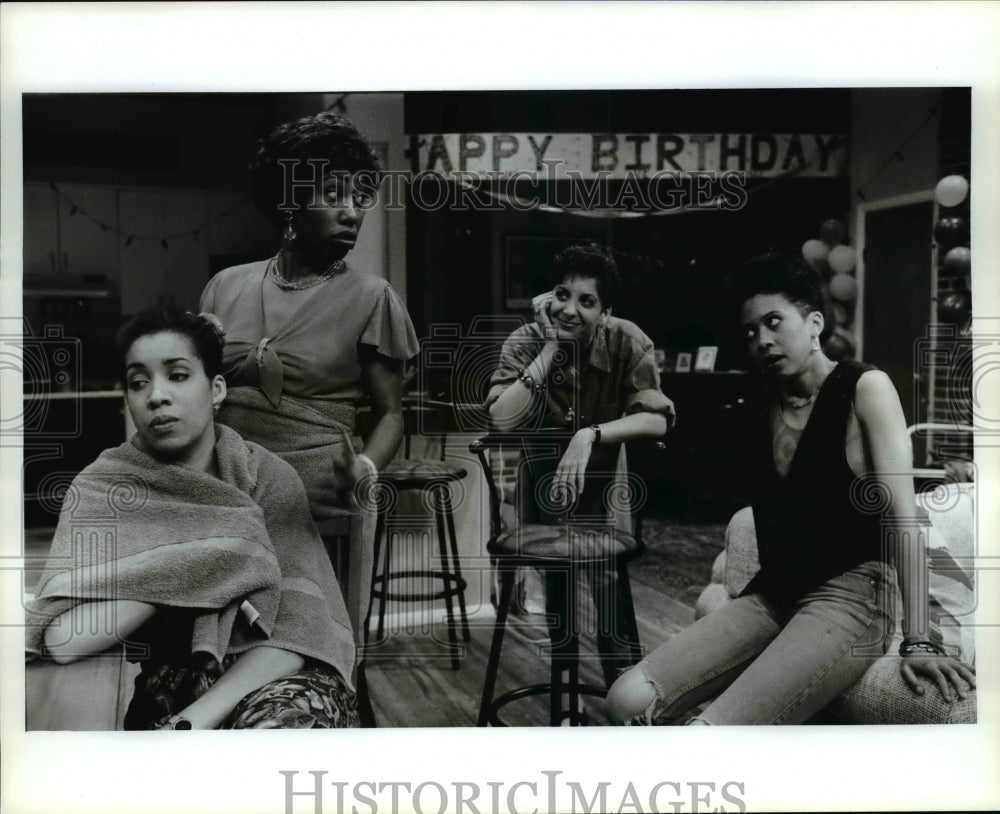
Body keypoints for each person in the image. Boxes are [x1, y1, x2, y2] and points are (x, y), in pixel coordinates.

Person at [606, 254, 976, 725]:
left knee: (708, 734)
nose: (761, 339)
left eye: (774, 322)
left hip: (855, 596)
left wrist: (920, 637)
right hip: (775, 592)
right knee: (625, 699)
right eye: (750, 331)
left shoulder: (866, 387)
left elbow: (903, 518)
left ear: (814, 322)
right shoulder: (760, 398)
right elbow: (668, 424)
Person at [26, 309, 358, 729]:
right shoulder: (105, 488)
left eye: (177, 376)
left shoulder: (267, 477)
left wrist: (192, 724)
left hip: (283, 676)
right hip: (174, 682)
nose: (156, 396)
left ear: (217, 389)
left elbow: (298, 633)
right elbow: (63, 641)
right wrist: (195, 561)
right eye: (138, 382)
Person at [198, 111, 419, 643]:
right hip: (225, 495)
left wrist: (365, 465)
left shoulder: (372, 297)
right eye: (334, 194)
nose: (353, 212)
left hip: (317, 504)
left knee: (307, 646)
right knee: (218, 648)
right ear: (290, 204)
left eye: (359, 196)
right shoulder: (224, 287)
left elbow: (391, 413)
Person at [485, 242, 675, 687]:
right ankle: (564, 689)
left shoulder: (627, 339)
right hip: (541, 488)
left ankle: (624, 693)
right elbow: (500, 417)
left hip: (605, 489)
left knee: (608, 585)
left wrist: (590, 435)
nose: (570, 309)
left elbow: (658, 419)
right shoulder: (526, 341)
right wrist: (550, 348)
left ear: (605, 311)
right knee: (558, 585)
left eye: (587, 301)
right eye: (562, 295)